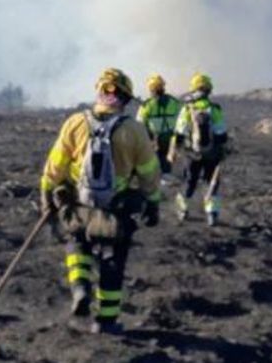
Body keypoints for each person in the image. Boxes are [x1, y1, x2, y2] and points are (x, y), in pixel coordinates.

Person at [38, 68, 161, 334]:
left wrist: (46, 195)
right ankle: (105, 321)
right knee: (113, 263)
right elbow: (149, 172)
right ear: (126, 99)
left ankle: (80, 286)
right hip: (115, 213)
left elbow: (55, 166)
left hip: (79, 209)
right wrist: (153, 202)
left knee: (76, 244)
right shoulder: (135, 131)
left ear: (99, 92)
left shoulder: (75, 123)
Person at [172, 72, 229, 226]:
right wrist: (222, 149)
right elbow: (221, 132)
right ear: (209, 90)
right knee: (210, 182)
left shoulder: (187, 108)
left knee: (190, 181)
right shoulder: (214, 108)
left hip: (192, 153)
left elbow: (180, 131)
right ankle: (211, 212)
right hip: (212, 153)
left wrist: (176, 150)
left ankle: (182, 209)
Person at [135, 74, 181, 182]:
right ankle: (166, 175)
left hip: (154, 138)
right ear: (163, 87)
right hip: (171, 136)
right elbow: (180, 118)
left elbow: (140, 123)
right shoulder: (173, 102)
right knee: (167, 158)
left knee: (152, 160)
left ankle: (156, 178)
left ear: (151, 89)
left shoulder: (147, 105)